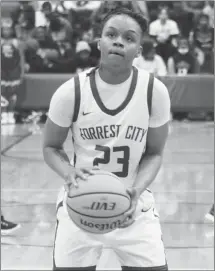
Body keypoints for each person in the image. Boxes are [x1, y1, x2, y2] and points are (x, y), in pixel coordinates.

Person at [43, 8, 170, 270]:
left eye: (129, 37)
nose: (118, 41)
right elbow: (50, 147)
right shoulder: (71, 92)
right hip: (81, 205)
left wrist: (136, 191)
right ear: (99, 41)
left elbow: (155, 153)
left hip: (133, 206)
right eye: (111, 34)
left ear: (138, 50)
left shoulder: (154, 91)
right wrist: (68, 173)